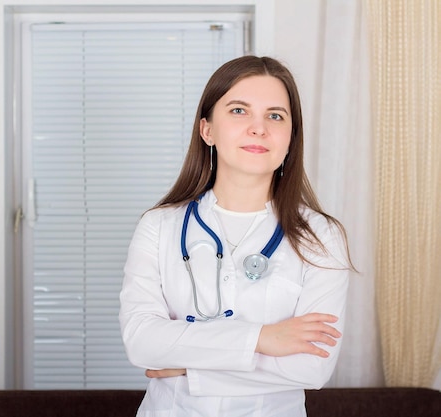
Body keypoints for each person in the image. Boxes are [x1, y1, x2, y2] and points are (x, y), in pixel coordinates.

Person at [119, 55, 353, 417]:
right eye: (239, 111)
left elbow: (312, 366)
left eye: (275, 115)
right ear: (207, 130)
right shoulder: (159, 226)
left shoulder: (321, 236)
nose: (259, 129)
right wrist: (263, 339)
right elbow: (142, 343)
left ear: (291, 137)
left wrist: (188, 368)